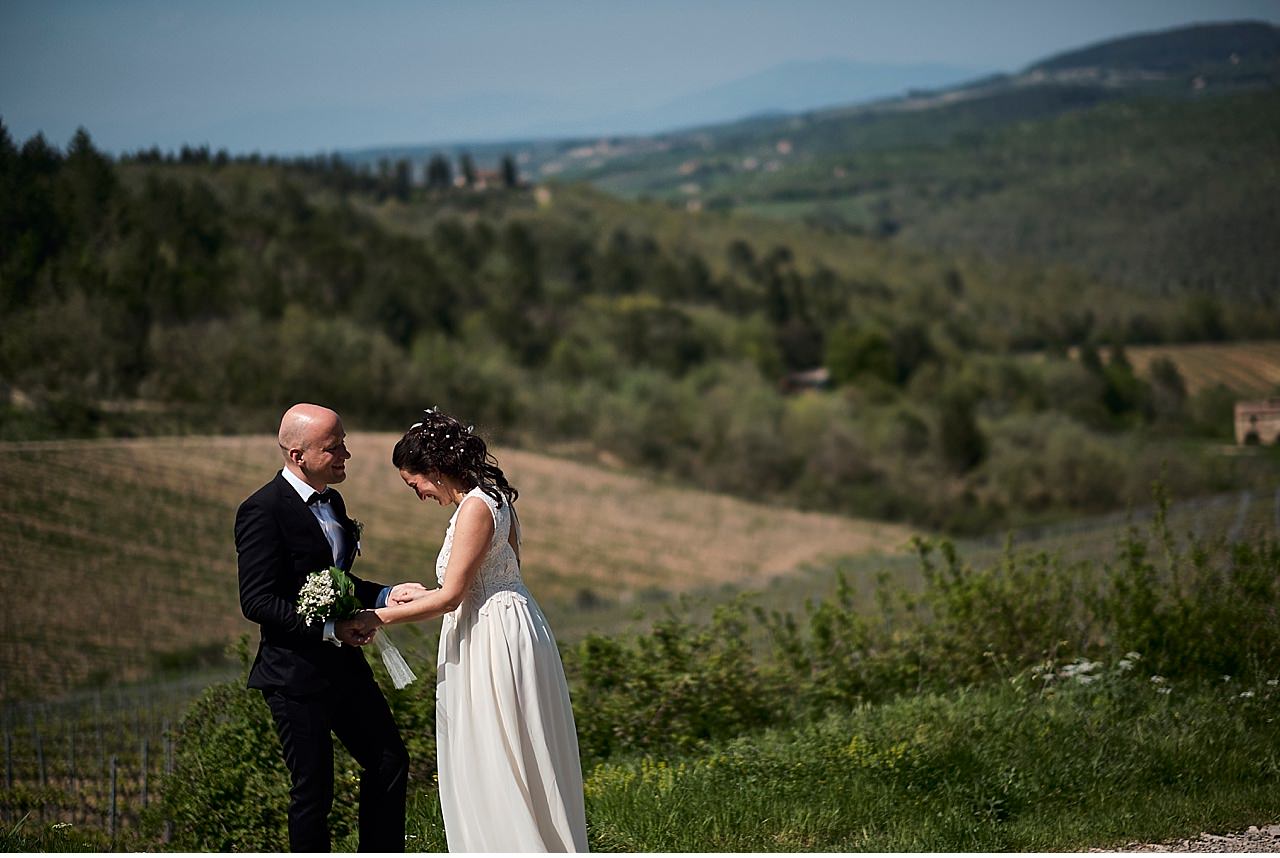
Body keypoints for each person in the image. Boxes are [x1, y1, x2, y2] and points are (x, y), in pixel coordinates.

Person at [350, 408, 589, 852]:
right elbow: (475, 581)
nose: (417, 493)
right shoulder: (492, 499)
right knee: (514, 747)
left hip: (491, 638)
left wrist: (374, 618)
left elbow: (453, 596)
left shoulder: (477, 507)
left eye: (414, 482)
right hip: (506, 623)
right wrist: (413, 595)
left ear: (436, 470)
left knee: (497, 751)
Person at [235, 403, 415, 852]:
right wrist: (331, 630)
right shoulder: (261, 510)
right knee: (314, 793)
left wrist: (384, 594)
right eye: (334, 448)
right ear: (298, 456)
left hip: (345, 669)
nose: (346, 456)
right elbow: (257, 601)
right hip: (294, 676)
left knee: (390, 760)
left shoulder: (333, 500)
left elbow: (334, 579)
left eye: (344, 444)